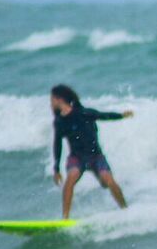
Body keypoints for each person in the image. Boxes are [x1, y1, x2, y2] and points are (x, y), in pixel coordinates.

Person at [50, 84, 134, 219]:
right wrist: (56, 169)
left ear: (59, 99)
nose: (51, 103)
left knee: (108, 181)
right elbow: (57, 144)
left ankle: (125, 210)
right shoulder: (59, 122)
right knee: (71, 179)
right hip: (77, 158)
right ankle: (65, 218)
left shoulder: (83, 113)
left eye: (52, 99)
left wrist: (121, 115)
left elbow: (103, 115)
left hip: (95, 156)